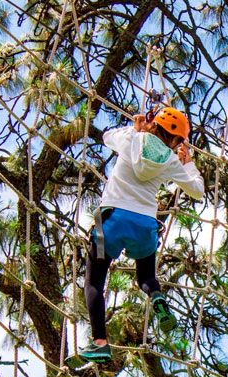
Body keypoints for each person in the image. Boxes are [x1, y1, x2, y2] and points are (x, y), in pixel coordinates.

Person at [78, 106, 204, 363]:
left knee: (93, 282)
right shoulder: (170, 161)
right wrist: (188, 163)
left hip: (112, 222)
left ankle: (100, 342)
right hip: (145, 226)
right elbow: (197, 191)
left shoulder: (131, 138)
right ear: (177, 141)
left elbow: (106, 136)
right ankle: (156, 296)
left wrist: (135, 128)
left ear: (153, 123)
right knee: (146, 276)